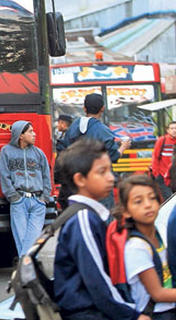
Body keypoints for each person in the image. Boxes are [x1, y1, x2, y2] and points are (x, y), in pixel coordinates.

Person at [53, 138, 148, 320]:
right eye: (102, 172)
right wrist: (132, 315)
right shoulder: (83, 219)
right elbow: (97, 281)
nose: (111, 177)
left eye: (109, 170)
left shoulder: (87, 215)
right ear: (80, 179)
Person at [113, 175, 176, 320]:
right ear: (126, 211)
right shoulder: (137, 247)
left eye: (152, 198)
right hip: (156, 313)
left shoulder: (157, 235)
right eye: (138, 201)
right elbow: (158, 294)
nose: (148, 205)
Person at [56, 93, 130, 208]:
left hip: (76, 183)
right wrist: (123, 147)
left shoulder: (73, 127)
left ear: (84, 108)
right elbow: (113, 157)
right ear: (103, 109)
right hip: (98, 183)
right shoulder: (103, 130)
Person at [0, 121, 51, 258]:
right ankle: (29, 271)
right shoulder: (6, 151)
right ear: (20, 135)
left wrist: (44, 197)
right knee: (21, 239)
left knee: (33, 240)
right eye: (30, 132)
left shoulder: (39, 153)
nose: (34, 134)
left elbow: (47, 175)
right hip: (19, 201)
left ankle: (25, 269)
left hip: (37, 202)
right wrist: (14, 197)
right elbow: (4, 175)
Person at [151, 122, 176, 201]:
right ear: (167, 130)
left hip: (174, 176)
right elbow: (155, 157)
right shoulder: (162, 140)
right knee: (169, 199)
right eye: (172, 128)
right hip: (163, 176)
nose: (174, 130)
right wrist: (157, 174)